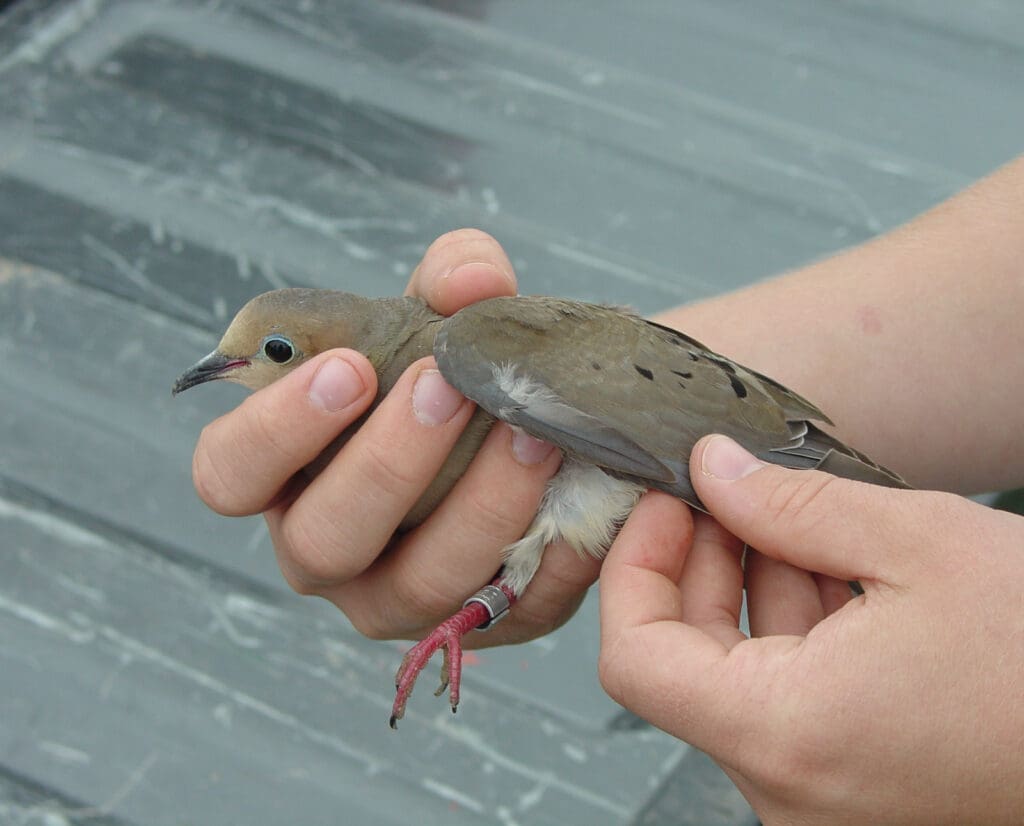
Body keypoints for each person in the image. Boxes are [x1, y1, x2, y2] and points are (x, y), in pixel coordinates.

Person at [190, 156, 1024, 824]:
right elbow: (617, 435)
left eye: (267, 354)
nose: (234, 372)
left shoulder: (465, 344)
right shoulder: (415, 378)